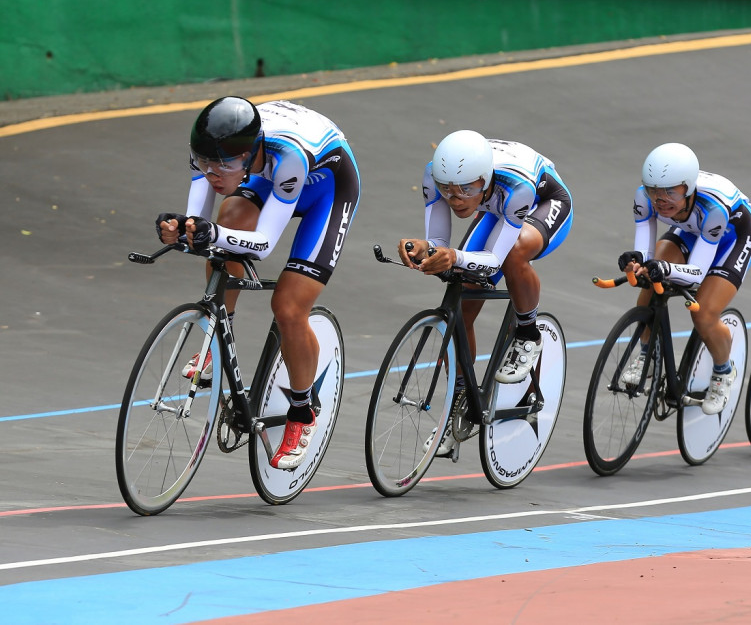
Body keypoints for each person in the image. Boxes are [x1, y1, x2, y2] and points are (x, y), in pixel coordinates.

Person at [155, 96, 361, 469]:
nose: (213, 174)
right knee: (228, 217)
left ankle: (302, 414)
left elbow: (263, 244)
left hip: (328, 191)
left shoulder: (289, 158)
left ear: (250, 155)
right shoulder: (211, 153)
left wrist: (210, 233)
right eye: (204, 164)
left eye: (224, 166)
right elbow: (195, 220)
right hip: (269, 180)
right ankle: (215, 340)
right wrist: (182, 231)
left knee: (288, 306)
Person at [399, 130, 573, 453]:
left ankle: (527, 333)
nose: (455, 199)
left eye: (465, 190)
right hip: (495, 205)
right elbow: (439, 242)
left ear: (484, 178)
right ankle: (460, 405)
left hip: (544, 201)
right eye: (447, 191)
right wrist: (427, 249)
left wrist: (455, 256)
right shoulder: (435, 175)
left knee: (514, 252)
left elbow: (493, 261)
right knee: (461, 309)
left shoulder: (516, 188)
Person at [618, 143, 751, 416]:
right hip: (693, 230)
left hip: (732, 236)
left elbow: (696, 273)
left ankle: (723, 371)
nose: (660, 199)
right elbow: (646, 255)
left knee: (704, 314)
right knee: (649, 282)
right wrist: (638, 263)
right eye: (654, 190)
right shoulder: (643, 198)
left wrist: (664, 269)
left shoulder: (713, 207)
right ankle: (647, 353)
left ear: (689, 188)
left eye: (671, 191)